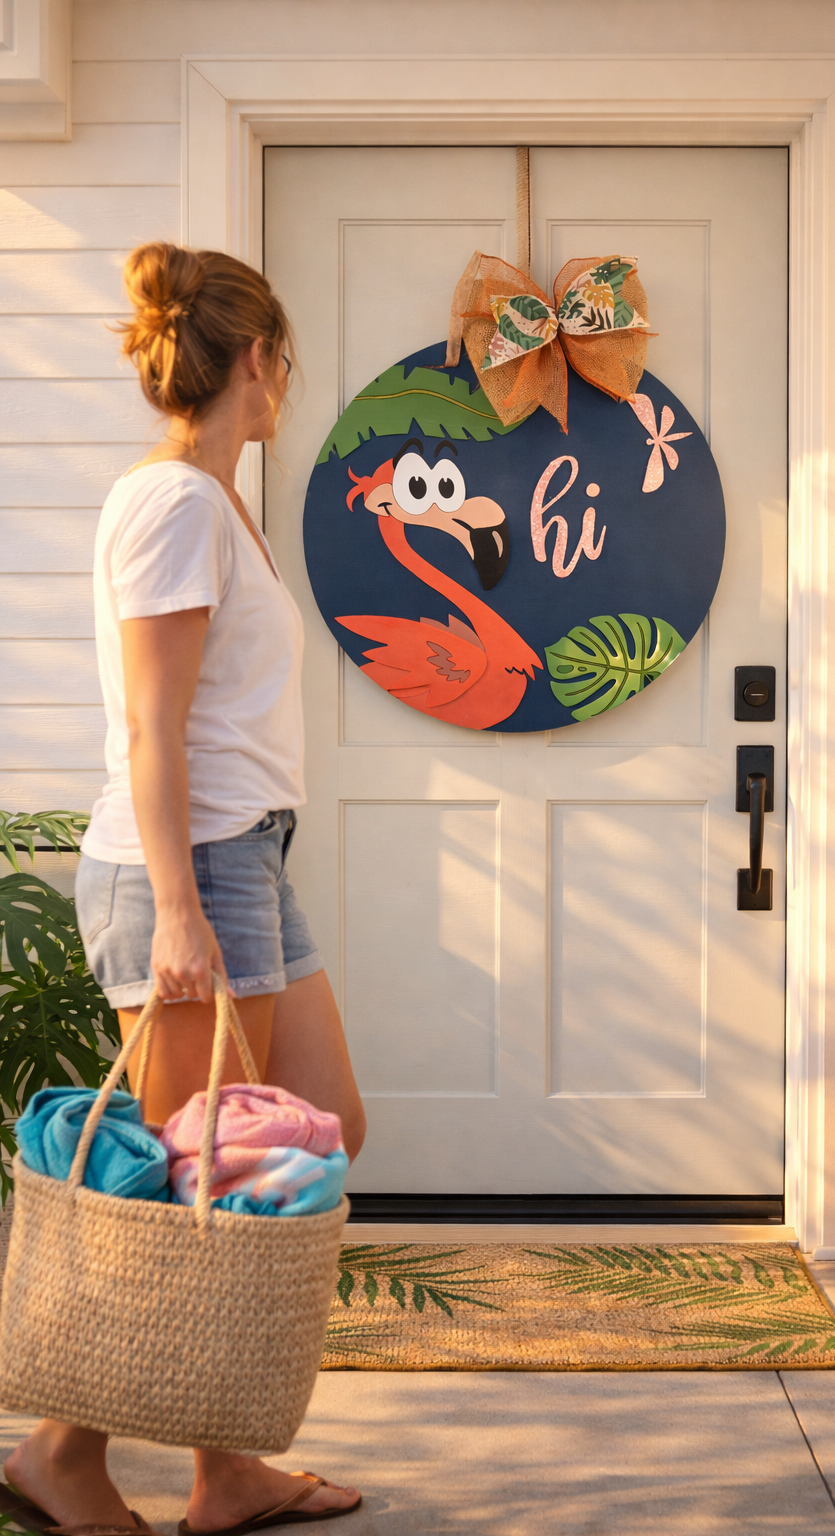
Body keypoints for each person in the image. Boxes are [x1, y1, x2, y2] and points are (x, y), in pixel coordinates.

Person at [1, 243, 366, 1532]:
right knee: (189, 1184)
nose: (284, 384)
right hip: (189, 867)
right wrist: (182, 911)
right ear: (255, 359)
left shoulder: (215, 502)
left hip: (243, 855)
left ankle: (225, 1470)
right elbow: (153, 731)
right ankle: (59, 1452)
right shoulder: (172, 506)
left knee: (309, 1133)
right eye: (282, 362)